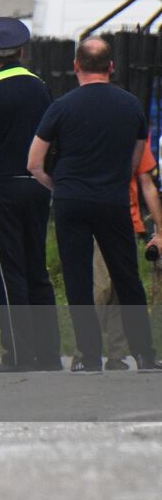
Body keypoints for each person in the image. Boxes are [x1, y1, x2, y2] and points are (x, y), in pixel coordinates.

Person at [27, 37, 162, 373]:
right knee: (127, 275)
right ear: (111, 67)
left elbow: (34, 162)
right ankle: (144, 354)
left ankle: (88, 356)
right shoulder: (131, 105)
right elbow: (136, 157)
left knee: (78, 278)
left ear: (76, 67)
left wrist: (59, 186)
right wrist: (114, 178)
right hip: (113, 199)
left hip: (71, 200)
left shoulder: (61, 106)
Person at [0, 17, 60, 372]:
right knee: (37, 268)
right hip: (38, 183)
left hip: (2, 185)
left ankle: (19, 354)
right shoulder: (41, 87)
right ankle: (49, 354)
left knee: (7, 271)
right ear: (22, 51)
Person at [87, 134, 162, 369]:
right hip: (100, 217)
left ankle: (116, 355)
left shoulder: (132, 134)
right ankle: (88, 349)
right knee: (102, 287)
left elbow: (146, 183)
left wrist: (160, 228)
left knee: (122, 288)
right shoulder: (93, 133)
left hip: (128, 221)